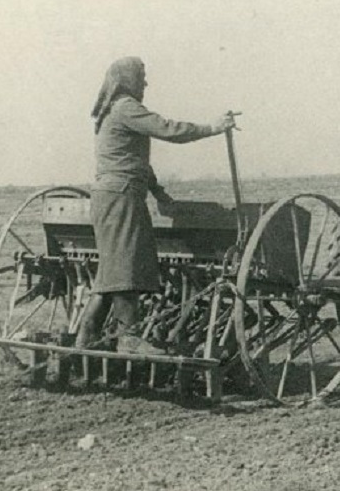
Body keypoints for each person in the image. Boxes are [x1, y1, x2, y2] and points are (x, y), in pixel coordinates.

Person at [76, 56, 236, 355]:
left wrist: (159, 194)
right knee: (126, 266)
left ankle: (86, 338)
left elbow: (134, 162)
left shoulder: (112, 111)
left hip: (113, 195)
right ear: (126, 79)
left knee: (112, 269)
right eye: (141, 76)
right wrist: (212, 128)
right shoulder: (125, 107)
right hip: (121, 196)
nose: (145, 82)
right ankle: (129, 339)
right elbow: (167, 129)